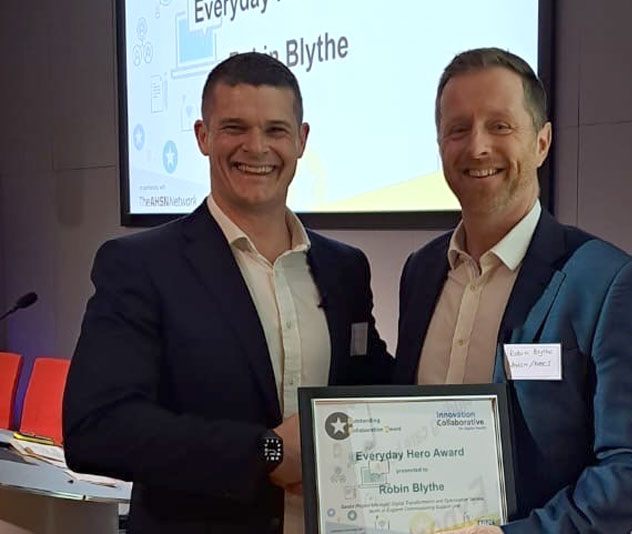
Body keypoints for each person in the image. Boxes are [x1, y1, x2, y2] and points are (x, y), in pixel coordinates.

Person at [63, 52, 392, 533]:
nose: (256, 147)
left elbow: (372, 384)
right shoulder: (141, 266)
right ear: (203, 136)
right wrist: (267, 452)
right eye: (235, 127)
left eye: (276, 130)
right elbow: (97, 429)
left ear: (301, 141)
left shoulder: (345, 270)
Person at [393, 48, 632, 533]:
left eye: (500, 126)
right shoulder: (421, 272)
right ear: (440, 145)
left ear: (542, 142)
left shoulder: (607, 282)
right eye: (458, 129)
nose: (477, 146)